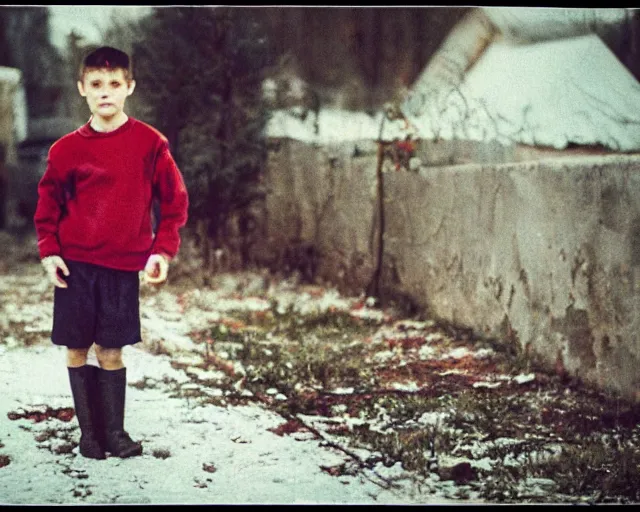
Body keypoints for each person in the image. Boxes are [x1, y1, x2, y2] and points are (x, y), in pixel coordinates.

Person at [33, 46, 189, 459]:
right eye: (97, 85)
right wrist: (50, 253)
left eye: (115, 84)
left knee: (112, 349)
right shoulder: (65, 150)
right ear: (82, 88)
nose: (106, 93)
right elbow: (47, 207)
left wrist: (162, 252)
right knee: (77, 347)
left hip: (122, 266)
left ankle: (115, 432)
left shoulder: (149, 144)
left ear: (129, 88)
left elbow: (174, 203)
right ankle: (89, 434)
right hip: (76, 265)